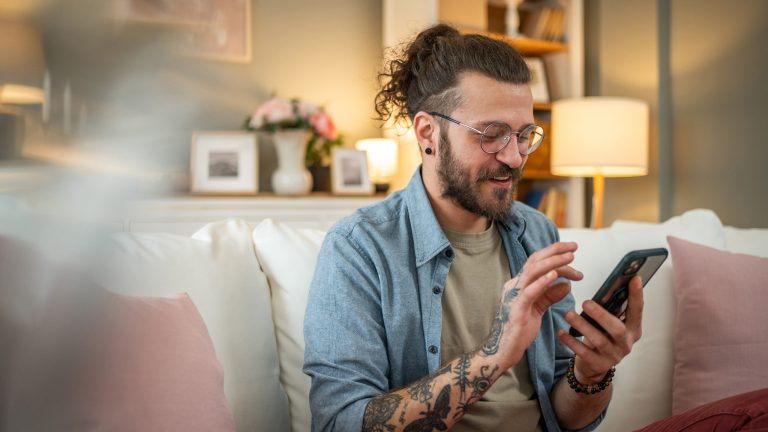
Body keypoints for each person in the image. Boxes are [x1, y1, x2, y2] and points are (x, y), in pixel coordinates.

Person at [303, 24, 643, 432]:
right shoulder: (360, 248)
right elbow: (341, 424)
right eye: (493, 135)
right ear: (428, 132)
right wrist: (496, 354)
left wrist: (590, 375)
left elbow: (567, 417)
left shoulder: (536, 233)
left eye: (523, 135)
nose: (515, 158)